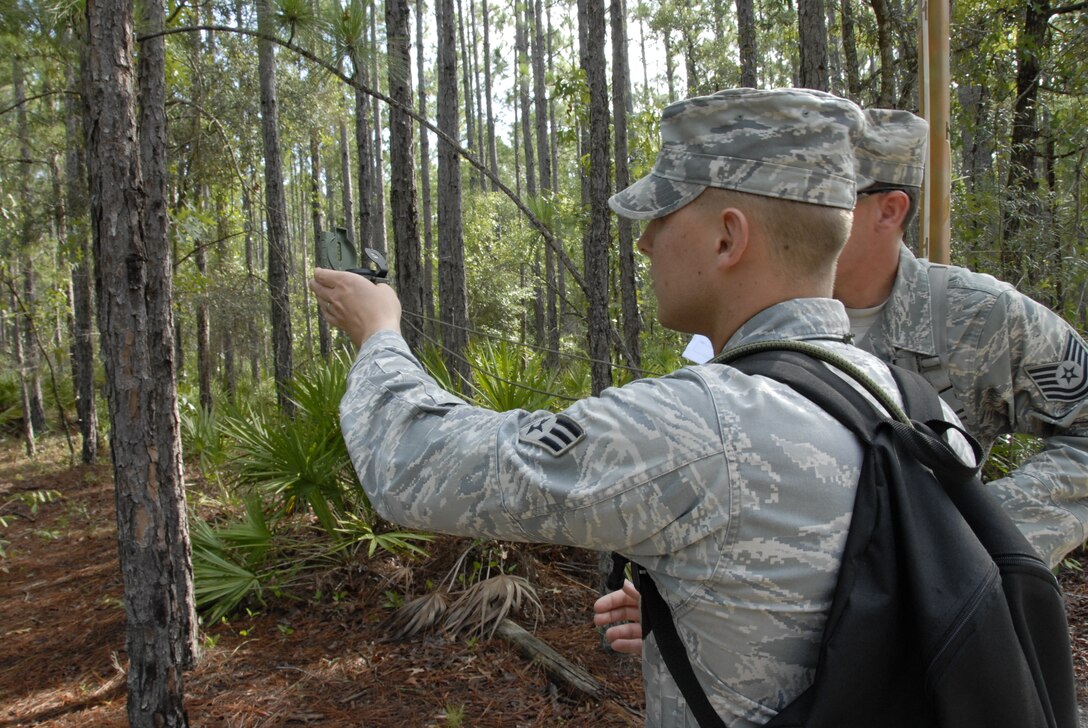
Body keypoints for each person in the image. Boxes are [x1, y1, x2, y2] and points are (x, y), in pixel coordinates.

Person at [311, 89, 967, 726]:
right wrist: (698, 601)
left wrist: (378, 334)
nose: (645, 242)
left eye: (662, 215)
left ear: (727, 239)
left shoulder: (700, 426)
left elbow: (411, 464)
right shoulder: (914, 402)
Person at [597, 107, 1088, 657]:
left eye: (831, 188)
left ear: (889, 210)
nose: (801, 200)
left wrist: (978, 539)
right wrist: (687, 602)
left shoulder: (979, 320)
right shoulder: (735, 312)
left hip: (936, 651)